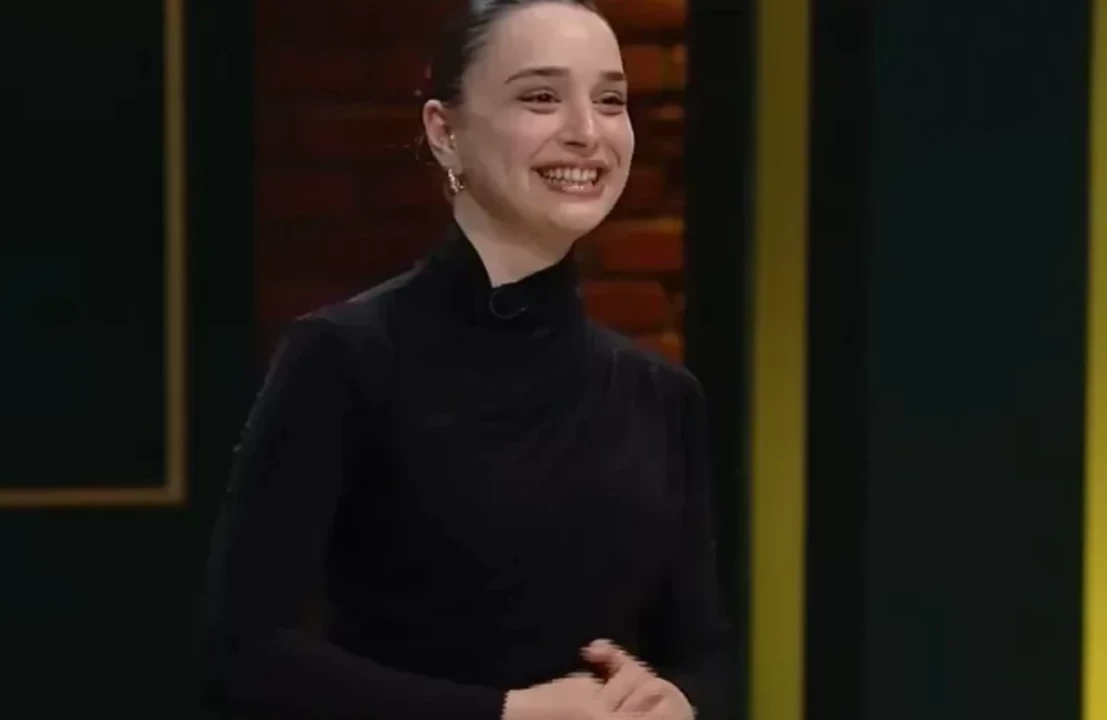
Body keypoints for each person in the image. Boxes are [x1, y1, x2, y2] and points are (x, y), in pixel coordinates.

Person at [199, 1, 734, 718]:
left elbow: (707, 659)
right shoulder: (342, 358)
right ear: (444, 132)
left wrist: (681, 700)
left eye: (611, 101)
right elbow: (245, 655)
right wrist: (507, 713)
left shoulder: (662, 396)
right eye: (540, 97)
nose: (587, 131)